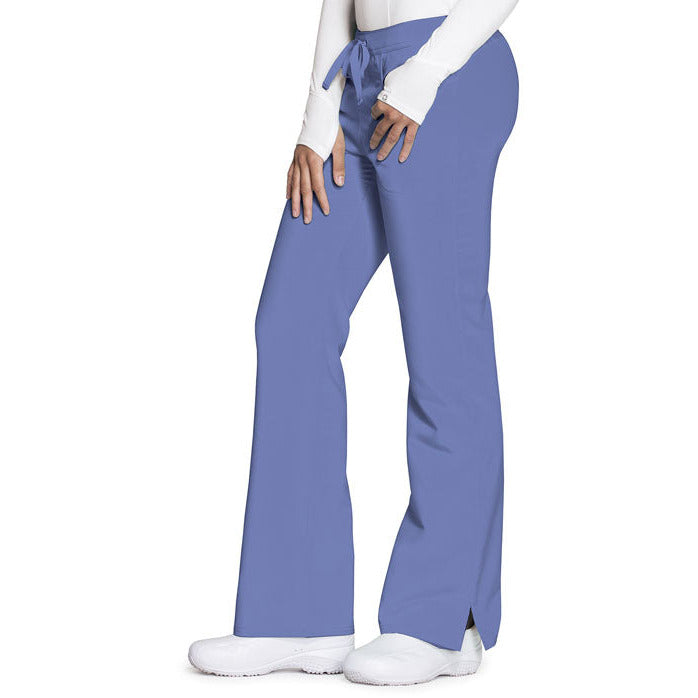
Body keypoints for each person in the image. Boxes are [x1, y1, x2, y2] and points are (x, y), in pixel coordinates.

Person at [189, 0, 519, 686]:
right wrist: (318, 114)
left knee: (443, 344)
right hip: (361, 79)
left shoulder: (437, 71)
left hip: (445, 73)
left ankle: (440, 619)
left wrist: (427, 71)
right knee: (292, 323)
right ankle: (296, 613)